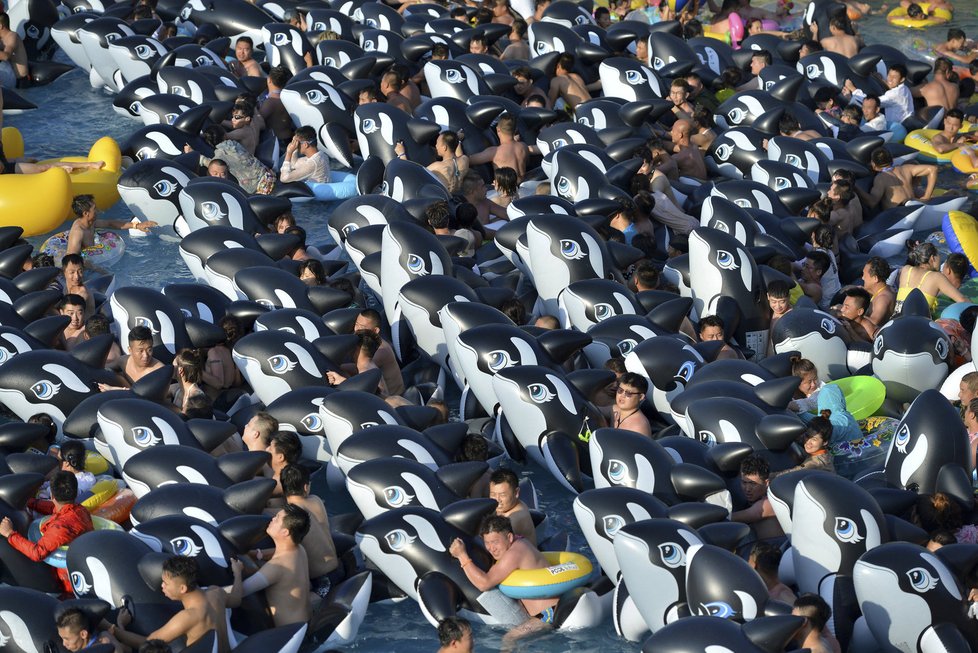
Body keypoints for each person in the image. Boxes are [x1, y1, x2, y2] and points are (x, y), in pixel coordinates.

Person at [112, 555, 243, 653]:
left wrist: (118, 626)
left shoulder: (187, 617)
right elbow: (237, 599)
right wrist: (237, 573)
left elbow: (148, 643)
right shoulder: (216, 592)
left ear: (182, 589)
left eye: (166, 583)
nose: (162, 586)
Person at [449, 516, 558, 630]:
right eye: (487, 543)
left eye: (495, 542)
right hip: (548, 611)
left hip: (549, 613)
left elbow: (484, 584)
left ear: (509, 537)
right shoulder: (519, 541)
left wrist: (462, 555)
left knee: (509, 640)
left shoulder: (515, 552)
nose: (492, 548)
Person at [0, 471, 94, 594]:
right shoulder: (81, 510)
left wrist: (10, 534)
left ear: (52, 496)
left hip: (68, 584)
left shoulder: (60, 527)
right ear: (75, 492)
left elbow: (37, 553)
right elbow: (55, 509)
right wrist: (31, 502)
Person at [240, 504, 315, 627]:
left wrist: (237, 572)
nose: (272, 519)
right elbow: (277, 553)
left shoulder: (276, 567)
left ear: (285, 532)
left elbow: (240, 592)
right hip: (306, 623)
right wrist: (257, 554)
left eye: (277, 518)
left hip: (289, 634)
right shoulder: (299, 550)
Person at [277, 464, 341, 597]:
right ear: (306, 487)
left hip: (324, 581)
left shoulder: (289, 518)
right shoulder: (316, 500)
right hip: (337, 569)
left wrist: (256, 554)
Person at [185, 125, 276, 195]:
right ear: (224, 136)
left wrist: (192, 153)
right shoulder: (234, 144)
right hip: (268, 175)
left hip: (258, 188)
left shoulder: (220, 155)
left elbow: (211, 164)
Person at [66, 194, 156, 257]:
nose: (98, 210)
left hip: (91, 254)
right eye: (94, 209)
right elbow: (71, 257)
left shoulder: (90, 222)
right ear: (86, 213)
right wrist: (93, 267)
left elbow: (110, 223)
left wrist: (137, 226)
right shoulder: (78, 232)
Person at [894, 242, 966, 315]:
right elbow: (962, 300)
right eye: (939, 256)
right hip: (918, 324)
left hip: (896, 321)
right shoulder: (937, 277)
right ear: (932, 258)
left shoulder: (905, 270)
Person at [857, 147, 937, 212]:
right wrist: (927, 197)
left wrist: (856, 188)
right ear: (892, 160)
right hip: (915, 207)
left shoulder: (881, 178)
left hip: (899, 214)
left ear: (873, 164)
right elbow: (933, 169)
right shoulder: (906, 169)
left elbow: (872, 202)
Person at [730, 454, 784, 542]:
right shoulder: (755, 498)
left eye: (753, 484)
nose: (747, 489)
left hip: (778, 552)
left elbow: (734, 517)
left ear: (766, 483)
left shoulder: (768, 502)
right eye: (744, 482)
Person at [843, 64, 914, 129]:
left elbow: (870, 103)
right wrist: (880, 79)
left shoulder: (894, 94)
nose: (890, 79)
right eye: (889, 75)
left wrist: (853, 89)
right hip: (903, 123)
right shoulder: (905, 89)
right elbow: (889, 85)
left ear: (902, 79)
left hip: (896, 128)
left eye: (894, 77)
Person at [352, 309, 405, 396]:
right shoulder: (366, 343)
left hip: (392, 398)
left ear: (375, 331)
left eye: (362, 327)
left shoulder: (380, 351)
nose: (356, 329)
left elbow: (359, 369)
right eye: (356, 324)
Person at [467, 113, 529, 181]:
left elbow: (467, 160)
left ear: (498, 129)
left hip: (506, 189)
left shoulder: (495, 152)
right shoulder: (523, 146)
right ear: (515, 130)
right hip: (524, 185)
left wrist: (458, 142)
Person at [489, 469, 536, 545]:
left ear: (516, 492)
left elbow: (494, 546)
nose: (497, 500)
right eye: (493, 494)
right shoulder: (508, 506)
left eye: (502, 495)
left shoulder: (516, 518)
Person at [57, 608, 123, 652]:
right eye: (62, 639)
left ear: (83, 634)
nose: (64, 644)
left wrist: (120, 624)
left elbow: (128, 649)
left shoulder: (103, 641)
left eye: (67, 639)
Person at [424, 130, 468, 194]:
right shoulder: (465, 160)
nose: (436, 146)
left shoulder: (437, 166)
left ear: (444, 148)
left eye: (437, 143)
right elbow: (458, 154)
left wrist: (403, 154)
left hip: (447, 200)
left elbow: (416, 174)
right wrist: (455, 140)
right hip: (461, 197)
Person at [260, 66, 295, 147]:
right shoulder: (290, 97)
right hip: (289, 136)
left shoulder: (271, 101)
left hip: (278, 141)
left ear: (269, 80)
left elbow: (259, 119)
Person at [612, 372, 652, 437]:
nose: (622, 395)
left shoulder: (639, 427)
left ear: (641, 397)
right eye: (620, 390)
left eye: (628, 393)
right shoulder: (613, 410)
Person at [862, 256, 896, 326]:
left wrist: (852, 312)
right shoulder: (884, 289)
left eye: (864, 274)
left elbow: (873, 323)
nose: (862, 278)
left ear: (875, 278)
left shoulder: (883, 299)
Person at [267, 431, 301, 499]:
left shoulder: (279, 486)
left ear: (280, 457)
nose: (266, 449)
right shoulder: (274, 473)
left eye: (270, 448)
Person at [172, 348, 207, 414]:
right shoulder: (177, 388)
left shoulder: (196, 397)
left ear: (180, 371)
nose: (170, 368)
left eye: (173, 366)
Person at [0, 13, 29, 88]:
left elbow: (6, 56)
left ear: (0, 26)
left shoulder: (12, 36)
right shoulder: (1, 39)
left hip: (21, 81)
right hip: (11, 78)